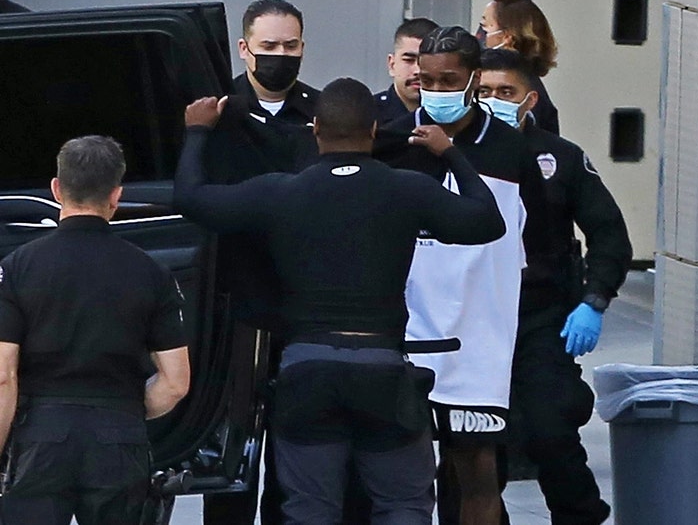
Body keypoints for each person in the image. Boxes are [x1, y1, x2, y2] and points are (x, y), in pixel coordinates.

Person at [175, 77, 506, 524]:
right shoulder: (407, 188)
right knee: (403, 505)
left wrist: (197, 132)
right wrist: (450, 152)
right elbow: (486, 221)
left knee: (311, 510)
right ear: (373, 130)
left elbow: (191, 200)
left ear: (315, 130)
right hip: (383, 367)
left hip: (306, 367)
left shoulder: (279, 191)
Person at [374, 26, 552, 525]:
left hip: (477, 338)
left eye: (447, 80)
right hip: (403, 332)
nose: (434, 89)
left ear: (474, 78)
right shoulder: (388, 145)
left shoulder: (511, 151)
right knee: (393, 475)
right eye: (425, 78)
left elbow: (538, 238)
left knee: (476, 468)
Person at [0, 135, 190, 525]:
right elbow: (175, 382)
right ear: (116, 195)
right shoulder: (151, 272)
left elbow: (3, 374)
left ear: (56, 188)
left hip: (40, 434)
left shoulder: (19, 267)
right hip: (119, 435)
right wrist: (124, 412)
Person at [479, 48, 632, 525]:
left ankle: (580, 517)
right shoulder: (452, 153)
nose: (493, 100)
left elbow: (609, 236)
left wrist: (593, 300)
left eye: (505, 92)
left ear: (529, 99)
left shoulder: (559, 158)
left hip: (542, 314)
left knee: (551, 429)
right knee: (478, 444)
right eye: (483, 91)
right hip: (475, 317)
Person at [202, 0, 321, 525]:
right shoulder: (212, 113)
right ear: (244, 48)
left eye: (290, 46)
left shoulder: (322, 115)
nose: (280, 56)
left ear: (302, 47)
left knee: (295, 453)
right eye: (268, 46)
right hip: (231, 304)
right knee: (229, 450)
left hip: (304, 304)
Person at [476, 0, 560, 136]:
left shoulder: (531, 94)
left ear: (507, 37)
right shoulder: (532, 83)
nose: (478, 35)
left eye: (484, 26)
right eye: (484, 91)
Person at [373, 17, 439, 125]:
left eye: (427, 62)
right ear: (392, 65)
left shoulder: (453, 118)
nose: (418, 71)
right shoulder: (368, 115)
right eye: (409, 60)